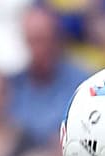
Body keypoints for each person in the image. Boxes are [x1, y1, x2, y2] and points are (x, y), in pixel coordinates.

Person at [8, 7, 88, 146]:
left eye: (42, 39)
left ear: (57, 39)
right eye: (31, 40)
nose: (38, 48)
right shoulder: (12, 85)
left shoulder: (83, 84)